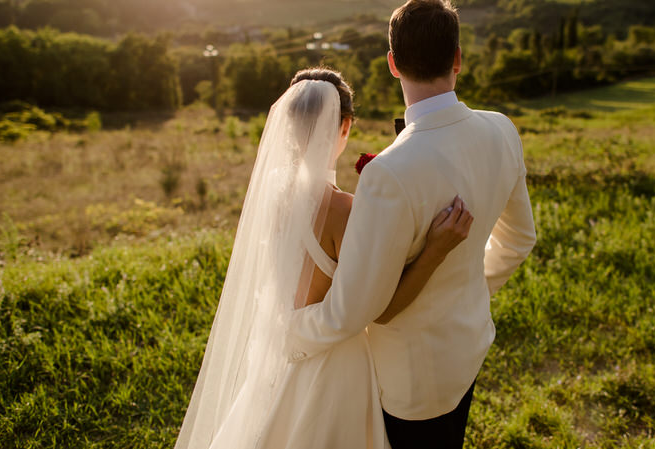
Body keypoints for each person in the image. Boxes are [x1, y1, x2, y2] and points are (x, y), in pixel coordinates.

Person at [286, 0, 538, 449]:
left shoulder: (387, 172)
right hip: (469, 347)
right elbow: (519, 240)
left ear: (392, 64)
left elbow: (356, 310)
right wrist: (465, 289)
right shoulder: (502, 129)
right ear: (458, 59)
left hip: (409, 379)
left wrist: (286, 330)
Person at [175, 67, 473, 449]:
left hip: (278, 359)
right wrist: (434, 248)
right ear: (345, 125)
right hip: (336, 368)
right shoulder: (344, 210)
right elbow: (378, 304)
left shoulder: (270, 189)